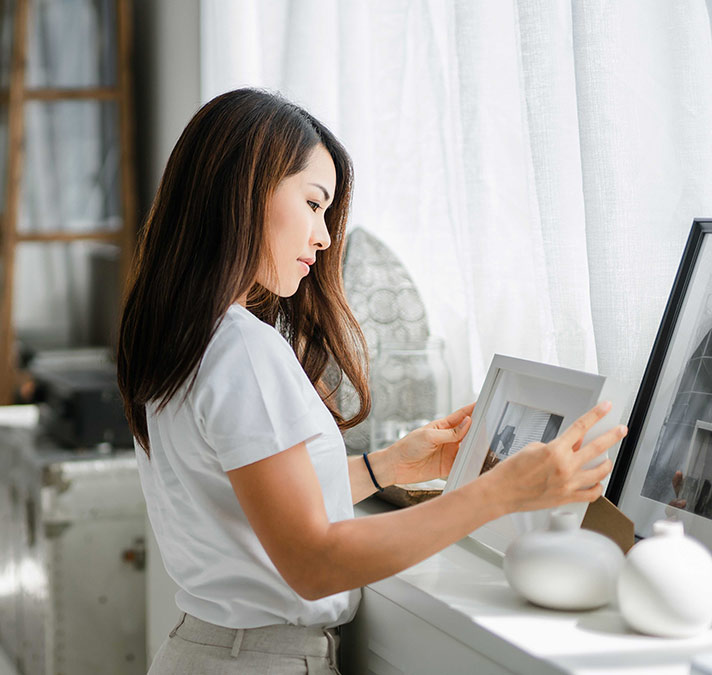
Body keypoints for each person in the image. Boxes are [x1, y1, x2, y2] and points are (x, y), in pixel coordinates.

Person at [116, 88, 626, 675]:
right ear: (245, 189)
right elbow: (311, 561)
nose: (324, 236)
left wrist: (390, 467)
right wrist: (498, 493)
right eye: (313, 203)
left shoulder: (186, 337)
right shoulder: (243, 350)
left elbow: (245, 499)